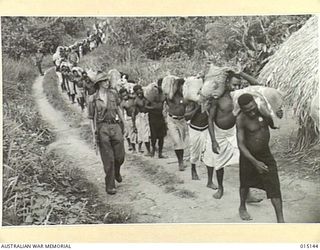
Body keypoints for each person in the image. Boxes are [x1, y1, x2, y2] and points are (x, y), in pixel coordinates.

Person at [202, 70, 264, 200]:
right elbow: (210, 119)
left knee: (244, 161)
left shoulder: (240, 97)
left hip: (234, 132)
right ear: (227, 83)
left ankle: (247, 194)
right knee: (219, 163)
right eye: (234, 84)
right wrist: (213, 140)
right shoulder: (218, 98)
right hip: (219, 133)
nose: (236, 87)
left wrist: (241, 73)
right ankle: (220, 188)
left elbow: (257, 84)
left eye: (238, 85)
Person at [236, 93, 284, 223]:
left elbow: (273, 124)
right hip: (248, 156)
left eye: (253, 107)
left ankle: (280, 220)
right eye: (248, 110)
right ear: (242, 109)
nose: (251, 112)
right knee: (245, 184)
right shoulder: (241, 119)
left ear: (255, 103)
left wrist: (278, 116)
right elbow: (240, 144)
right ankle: (242, 207)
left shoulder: (262, 111)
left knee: (274, 184)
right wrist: (255, 162)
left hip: (265, 154)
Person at [87, 72, 125, 195]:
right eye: (104, 81)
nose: (107, 83)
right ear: (99, 84)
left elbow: (119, 109)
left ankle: (117, 171)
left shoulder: (113, 93)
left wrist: (126, 123)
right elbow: (91, 118)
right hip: (102, 127)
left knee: (120, 156)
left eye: (108, 80)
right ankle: (110, 185)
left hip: (115, 125)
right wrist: (94, 134)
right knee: (108, 158)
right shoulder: (93, 99)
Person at [165, 78, 188, 171]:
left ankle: (181, 160)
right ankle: (180, 162)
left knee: (181, 142)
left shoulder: (185, 96)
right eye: (181, 86)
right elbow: (168, 96)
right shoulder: (171, 97)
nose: (183, 88)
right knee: (177, 141)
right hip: (172, 120)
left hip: (182, 120)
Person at [184, 100, 208, 180]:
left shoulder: (210, 102)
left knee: (207, 151)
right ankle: (193, 170)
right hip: (195, 129)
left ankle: (209, 175)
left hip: (205, 128)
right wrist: (197, 108)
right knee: (194, 151)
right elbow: (186, 117)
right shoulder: (193, 103)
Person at [145, 78, 167, 158]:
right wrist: (154, 108)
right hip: (153, 116)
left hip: (160, 117)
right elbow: (146, 106)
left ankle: (160, 153)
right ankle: (153, 151)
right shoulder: (153, 93)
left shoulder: (164, 94)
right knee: (153, 135)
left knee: (161, 136)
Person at [132, 85, 152, 156]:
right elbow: (133, 113)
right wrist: (133, 125)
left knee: (147, 134)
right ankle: (148, 151)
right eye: (138, 92)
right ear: (136, 93)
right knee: (143, 134)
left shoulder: (146, 98)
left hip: (147, 116)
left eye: (140, 90)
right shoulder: (136, 101)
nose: (140, 92)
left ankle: (146, 149)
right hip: (141, 117)